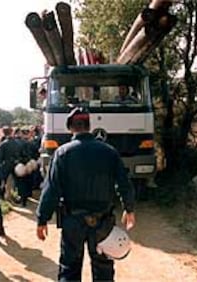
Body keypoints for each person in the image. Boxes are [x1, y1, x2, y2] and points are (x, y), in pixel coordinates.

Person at [36, 108, 136, 282]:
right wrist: (129, 208)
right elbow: (124, 183)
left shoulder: (62, 153)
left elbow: (52, 189)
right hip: (103, 222)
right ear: (89, 126)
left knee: (69, 269)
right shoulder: (109, 151)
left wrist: (42, 219)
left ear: (70, 128)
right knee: (103, 270)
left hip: (73, 222)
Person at [0, 126, 21, 201]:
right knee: (17, 181)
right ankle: (18, 196)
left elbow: (0, 157)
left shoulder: (3, 144)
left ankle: (2, 196)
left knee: (3, 181)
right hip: (15, 163)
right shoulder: (16, 143)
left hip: (6, 164)